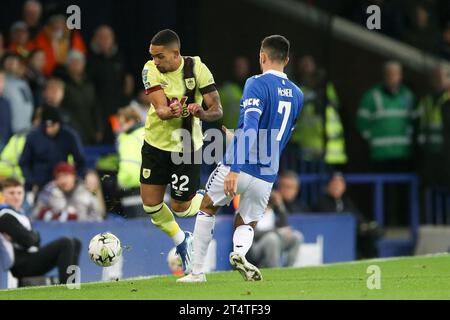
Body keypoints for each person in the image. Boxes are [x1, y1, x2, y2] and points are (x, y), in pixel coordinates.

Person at [177, 35, 303, 283]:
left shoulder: (256, 83)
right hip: (268, 169)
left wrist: (235, 168)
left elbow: (251, 128)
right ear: (287, 60)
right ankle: (240, 253)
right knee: (248, 219)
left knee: (207, 207)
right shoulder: (298, 94)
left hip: (240, 164)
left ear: (262, 57)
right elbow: (281, 135)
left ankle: (197, 272)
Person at [140, 29, 222, 273]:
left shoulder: (197, 69)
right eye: (152, 56)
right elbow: (160, 108)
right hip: (156, 143)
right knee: (150, 205)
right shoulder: (150, 69)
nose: (155, 61)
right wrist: (169, 111)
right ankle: (181, 240)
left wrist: (202, 113)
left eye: (160, 56)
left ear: (175, 53)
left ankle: (213, 198)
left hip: (186, 146)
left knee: (181, 208)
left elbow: (216, 109)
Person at [0, 178, 81, 285]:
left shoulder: (19, 214)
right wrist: (31, 236)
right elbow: (28, 241)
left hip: (30, 257)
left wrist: (30, 236)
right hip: (21, 265)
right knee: (65, 243)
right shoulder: (5, 216)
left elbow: (35, 240)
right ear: (2, 195)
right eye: (11, 193)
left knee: (76, 242)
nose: (16, 196)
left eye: (19, 193)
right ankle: (67, 288)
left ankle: (73, 285)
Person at [289, 55, 347, 172]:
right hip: (309, 150)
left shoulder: (327, 89)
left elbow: (337, 108)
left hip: (331, 151)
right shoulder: (300, 91)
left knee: (331, 186)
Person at [356, 61, 416, 170]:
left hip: (402, 152)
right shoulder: (371, 96)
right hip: (380, 153)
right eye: (390, 74)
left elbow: (414, 121)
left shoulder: (408, 96)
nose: (393, 77)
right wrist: (372, 137)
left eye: (396, 74)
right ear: (384, 76)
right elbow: (361, 123)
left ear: (401, 76)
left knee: (401, 184)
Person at [19, 107, 86, 192]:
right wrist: (31, 180)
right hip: (37, 186)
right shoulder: (33, 137)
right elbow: (24, 162)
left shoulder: (69, 136)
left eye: (52, 126)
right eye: (46, 126)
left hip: (62, 185)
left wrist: (75, 180)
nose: (49, 129)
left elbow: (81, 161)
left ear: (59, 124)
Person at [314, 172, 381, 258]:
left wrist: (366, 225)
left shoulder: (346, 201)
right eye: (334, 183)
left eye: (340, 183)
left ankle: (372, 261)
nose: (337, 186)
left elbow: (358, 217)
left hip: (351, 236)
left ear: (344, 187)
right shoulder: (322, 202)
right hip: (332, 238)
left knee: (371, 232)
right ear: (328, 186)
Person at [87, 25, 131, 144]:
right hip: (97, 110)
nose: (104, 40)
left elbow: (127, 81)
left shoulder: (119, 58)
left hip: (117, 108)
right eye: (101, 37)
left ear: (113, 39)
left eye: (107, 37)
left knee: (118, 139)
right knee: (100, 140)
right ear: (95, 39)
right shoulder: (89, 60)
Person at [247, 192, 303, 268]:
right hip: (255, 248)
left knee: (296, 236)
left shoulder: (271, 211)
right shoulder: (249, 212)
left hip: (275, 243)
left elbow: (284, 224)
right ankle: (275, 270)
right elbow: (253, 233)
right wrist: (276, 231)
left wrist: (280, 205)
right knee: (272, 238)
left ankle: (289, 268)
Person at [32, 162, 104, 222]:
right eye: (59, 177)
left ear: (73, 176)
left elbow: (98, 217)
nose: (63, 180)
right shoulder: (49, 193)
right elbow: (35, 215)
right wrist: (52, 216)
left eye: (66, 175)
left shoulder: (85, 192)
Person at [62, 50, 100, 144]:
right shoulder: (63, 85)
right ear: (68, 66)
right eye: (73, 63)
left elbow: (96, 107)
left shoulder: (89, 84)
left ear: (83, 65)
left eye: (78, 62)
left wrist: (99, 128)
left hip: (90, 130)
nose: (76, 65)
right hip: (71, 129)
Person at [34, 13, 87, 77]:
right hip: (48, 74)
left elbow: (79, 58)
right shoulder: (41, 38)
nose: (57, 25)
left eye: (60, 22)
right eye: (55, 22)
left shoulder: (73, 37)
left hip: (70, 75)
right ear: (50, 24)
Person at [116, 106, 145, 218]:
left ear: (132, 120)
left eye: (123, 122)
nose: (120, 126)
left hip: (143, 187)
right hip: (130, 188)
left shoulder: (140, 134)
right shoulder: (124, 137)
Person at [2, 52, 34, 134]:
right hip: (7, 132)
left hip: (26, 130)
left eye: (15, 62)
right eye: (9, 62)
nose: (12, 65)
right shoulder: (3, 81)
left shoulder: (24, 83)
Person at [0, 70, 12, 152]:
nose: (0, 83)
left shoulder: (6, 102)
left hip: (5, 143)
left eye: (2, 80)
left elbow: (8, 125)